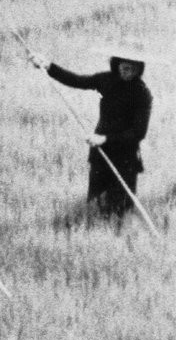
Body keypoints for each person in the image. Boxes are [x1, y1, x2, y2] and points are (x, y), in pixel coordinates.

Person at [31, 44, 152, 218]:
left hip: (125, 156)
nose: (128, 71)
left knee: (120, 208)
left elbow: (138, 133)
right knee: (97, 204)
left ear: (139, 68)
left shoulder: (142, 93)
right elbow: (77, 81)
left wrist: (105, 139)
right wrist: (49, 67)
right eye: (125, 66)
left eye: (134, 67)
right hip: (100, 153)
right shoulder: (107, 80)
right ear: (117, 63)